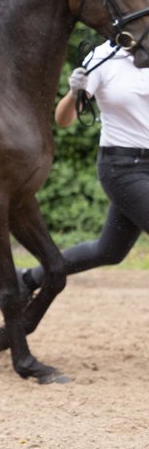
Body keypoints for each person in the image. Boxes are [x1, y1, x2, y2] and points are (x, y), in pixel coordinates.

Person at [23, 38, 149, 292]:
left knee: (109, 250)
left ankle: (28, 280)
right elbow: (63, 119)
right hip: (123, 168)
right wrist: (74, 93)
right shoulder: (102, 58)